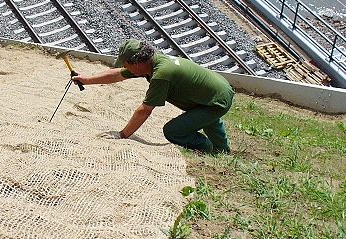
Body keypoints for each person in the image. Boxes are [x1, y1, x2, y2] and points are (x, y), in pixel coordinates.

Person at [72, 39, 235, 154]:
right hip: (213, 93)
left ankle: (206, 147)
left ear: (136, 62)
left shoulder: (161, 74)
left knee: (173, 131)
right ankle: (222, 151)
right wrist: (86, 80)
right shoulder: (151, 62)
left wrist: (122, 134)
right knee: (208, 118)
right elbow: (116, 75)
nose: (123, 66)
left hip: (215, 100)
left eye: (125, 63)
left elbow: (144, 110)